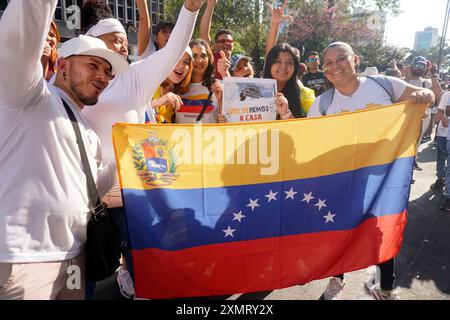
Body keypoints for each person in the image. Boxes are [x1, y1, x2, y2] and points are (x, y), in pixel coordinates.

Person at [0, 0, 129, 300]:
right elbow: (20, 30)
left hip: (75, 261)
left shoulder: (88, 131)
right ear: (63, 65)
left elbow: (93, 189)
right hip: (25, 259)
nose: (102, 76)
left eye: (108, 72)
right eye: (93, 65)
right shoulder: (29, 96)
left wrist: (125, 152)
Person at [81, 0, 204, 299]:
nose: (123, 47)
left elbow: (173, 51)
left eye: (125, 41)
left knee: (139, 254)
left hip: (125, 192)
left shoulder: (135, 77)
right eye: (115, 40)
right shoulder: (74, 80)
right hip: (81, 193)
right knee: (84, 267)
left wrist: (190, 9)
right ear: (90, 43)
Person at [307, 42, 435, 300]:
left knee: (382, 232)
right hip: (342, 183)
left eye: (341, 59)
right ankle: (337, 280)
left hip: (383, 179)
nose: (335, 67)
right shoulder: (321, 104)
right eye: (328, 63)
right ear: (324, 70)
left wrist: (425, 97)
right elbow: (310, 142)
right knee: (339, 234)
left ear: (355, 59)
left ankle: (385, 288)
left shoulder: (384, 85)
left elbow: (428, 97)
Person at [177, 39, 223, 123]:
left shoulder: (219, 87)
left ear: (209, 59)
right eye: (194, 56)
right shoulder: (175, 85)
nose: (199, 60)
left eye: (203, 56)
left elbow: (226, 123)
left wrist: (220, 101)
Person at [264, 43, 316, 118]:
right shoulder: (256, 91)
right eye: (278, 61)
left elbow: (312, 127)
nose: (283, 66)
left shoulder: (305, 95)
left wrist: (286, 114)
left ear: (295, 68)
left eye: (289, 63)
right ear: (269, 65)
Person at [150, 47, 194, 123]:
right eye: (177, 59)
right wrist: (157, 102)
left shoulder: (175, 93)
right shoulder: (149, 81)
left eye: (186, 62)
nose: (181, 66)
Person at [199, 0, 234, 80]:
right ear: (215, 45)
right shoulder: (212, 58)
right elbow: (204, 34)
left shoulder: (239, 63)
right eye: (222, 41)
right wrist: (211, 5)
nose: (226, 43)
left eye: (229, 41)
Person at [430, 91, 450, 192]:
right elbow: (440, 110)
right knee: (441, 157)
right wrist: (442, 118)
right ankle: (440, 179)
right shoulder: (447, 95)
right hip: (443, 133)